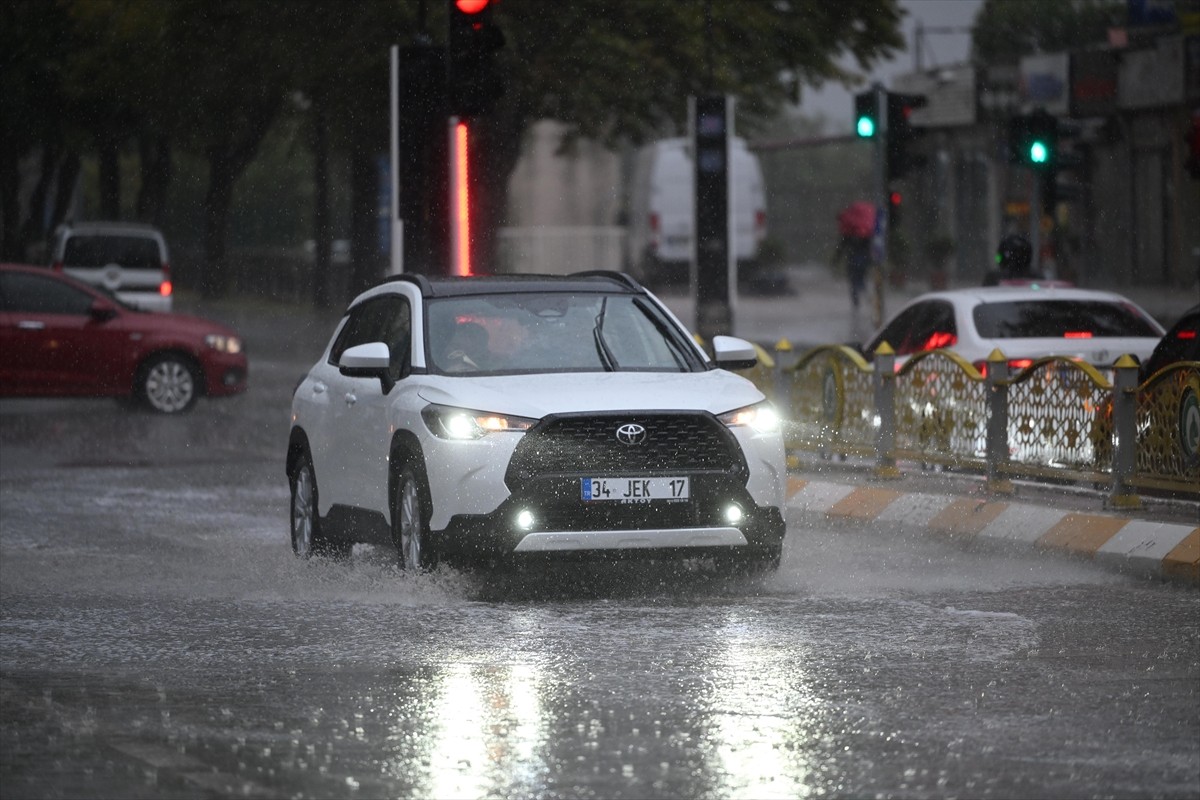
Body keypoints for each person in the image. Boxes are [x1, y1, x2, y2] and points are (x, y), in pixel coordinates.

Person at [834, 234, 872, 309]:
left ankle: (857, 301)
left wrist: (836, 259)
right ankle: (864, 297)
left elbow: (841, 247)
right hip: (862, 261)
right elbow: (869, 249)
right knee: (860, 279)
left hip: (852, 261)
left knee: (853, 281)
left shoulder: (849, 233)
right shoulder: (865, 233)